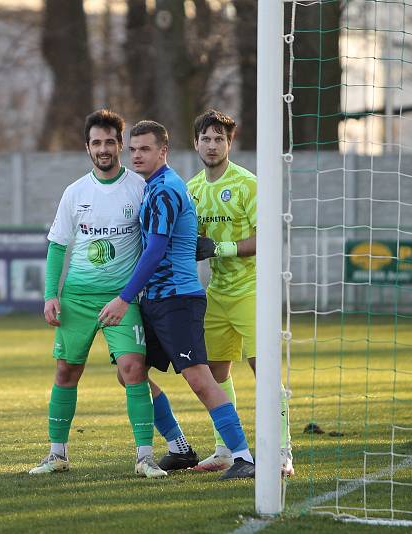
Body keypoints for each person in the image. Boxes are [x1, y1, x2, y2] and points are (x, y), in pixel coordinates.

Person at [99, 120, 256, 480]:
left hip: (177, 300)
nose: (137, 155)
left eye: (145, 149)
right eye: (133, 149)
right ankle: (180, 448)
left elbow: (155, 251)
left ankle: (244, 456)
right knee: (130, 372)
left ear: (163, 152)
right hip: (155, 301)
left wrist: (124, 298)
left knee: (200, 380)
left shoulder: (166, 189)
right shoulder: (152, 187)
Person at [28, 109, 170, 478]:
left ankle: (145, 457)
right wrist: (50, 295)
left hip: (123, 299)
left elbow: (157, 241)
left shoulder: (141, 188)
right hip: (77, 298)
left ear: (120, 144)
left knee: (133, 369)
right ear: (87, 147)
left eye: (110, 141)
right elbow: (58, 246)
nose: (103, 148)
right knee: (66, 371)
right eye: (96, 142)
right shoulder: (75, 193)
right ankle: (57, 454)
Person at [186, 109, 293, 475]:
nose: (212, 145)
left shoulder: (248, 184)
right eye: (206, 138)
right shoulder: (193, 190)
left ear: (230, 143)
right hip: (217, 293)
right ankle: (226, 449)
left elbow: (267, 238)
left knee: (264, 371)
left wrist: (220, 248)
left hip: (253, 291)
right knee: (215, 373)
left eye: (219, 138)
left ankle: (282, 451)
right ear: (195, 142)